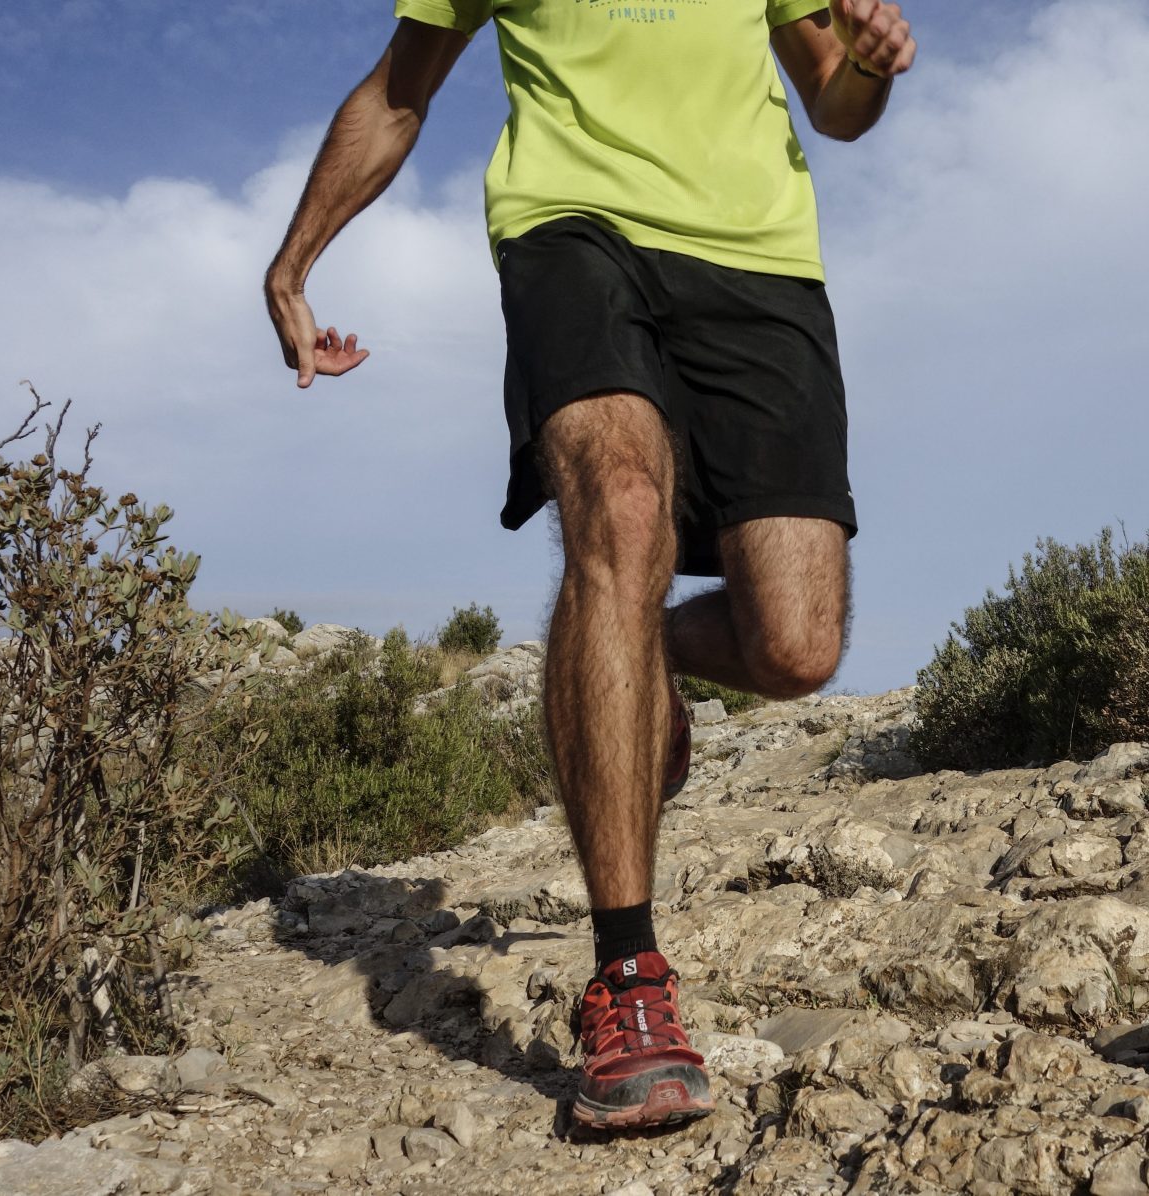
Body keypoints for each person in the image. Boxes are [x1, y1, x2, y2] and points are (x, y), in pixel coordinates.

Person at [263, 0, 914, 1132]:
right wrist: (295, 261)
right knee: (618, 507)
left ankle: (626, 650)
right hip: (571, 236)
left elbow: (834, 102)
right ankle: (628, 977)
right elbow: (397, 91)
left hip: (758, 261)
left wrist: (867, 63)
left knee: (797, 646)